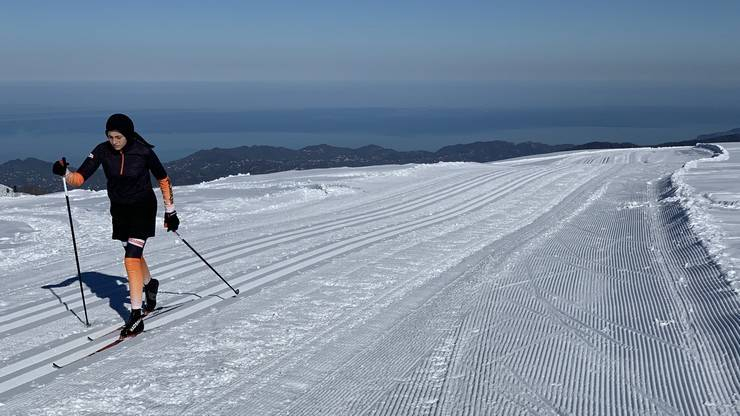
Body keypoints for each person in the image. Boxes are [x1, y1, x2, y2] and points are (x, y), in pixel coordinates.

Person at [52, 113, 180, 337]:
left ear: (128, 135)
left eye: (118, 137)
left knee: (130, 258)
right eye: (110, 136)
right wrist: (65, 172)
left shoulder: (143, 152)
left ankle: (135, 316)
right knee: (134, 255)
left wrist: (170, 211)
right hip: (120, 210)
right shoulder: (102, 150)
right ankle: (149, 285)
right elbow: (79, 179)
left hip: (142, 207)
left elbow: (163, 179)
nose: (114, 141)